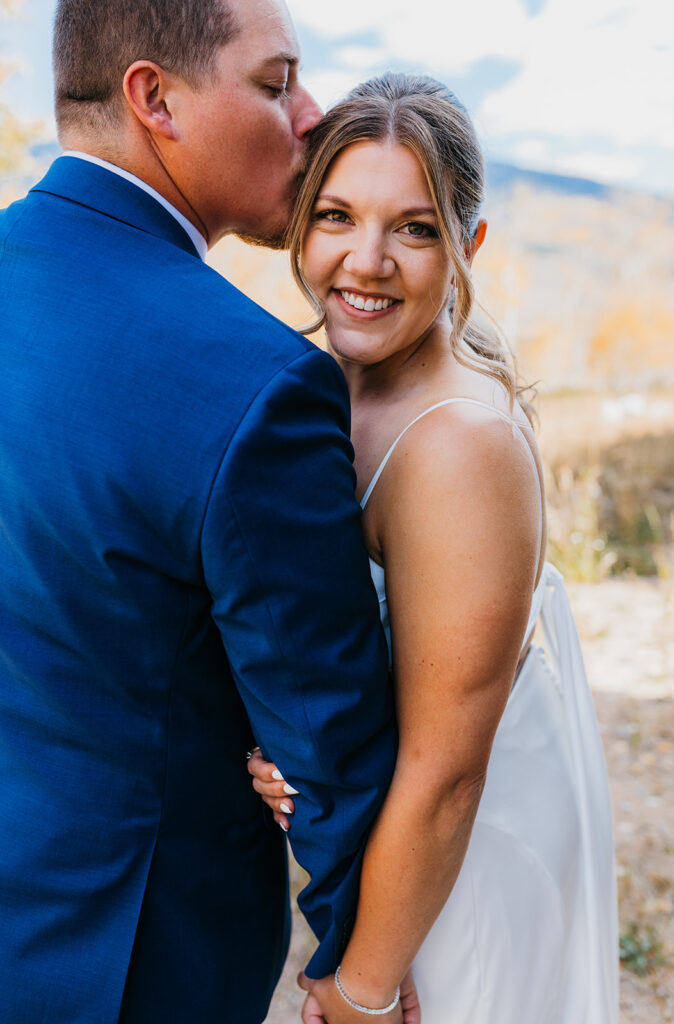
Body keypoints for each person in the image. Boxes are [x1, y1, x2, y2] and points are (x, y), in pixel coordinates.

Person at [0, 3, 400, 1022]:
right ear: (154, 99)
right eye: (275, 83)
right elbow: (330, 740)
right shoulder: (258, 382)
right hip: (131, 959)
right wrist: (366, 968)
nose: (310, 116)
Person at [249, 73, 619, 1024]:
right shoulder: (324, 384)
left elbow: (450, 772)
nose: (364, 261)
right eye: (336, 215)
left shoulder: (458, 445)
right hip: (399, 848)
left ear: (467, 247)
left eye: (412, 228)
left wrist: (364, 989)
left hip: (462, 862)